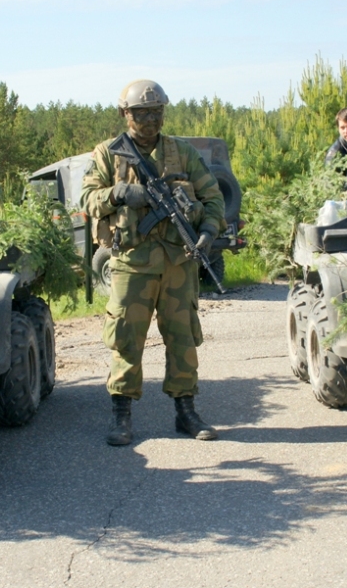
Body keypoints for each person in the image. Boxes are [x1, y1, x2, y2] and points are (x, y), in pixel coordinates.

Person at [81, 79, 225, 446]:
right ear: (125, 113)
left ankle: (185, 411)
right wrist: (121, 193)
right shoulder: (108, 154)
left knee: (183, 340)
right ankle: (122, 413)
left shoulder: (182, 152)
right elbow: (87, 198)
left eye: (156, 112)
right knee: (126, 339)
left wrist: (207, 233)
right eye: (141, 113)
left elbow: (212, 197)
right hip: (132, 263)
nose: (149, 120)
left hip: (179, 262)